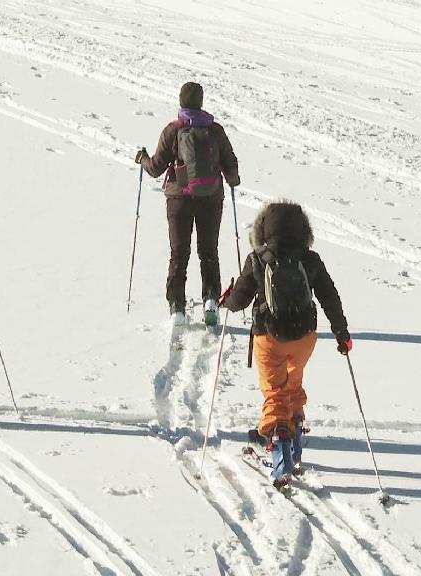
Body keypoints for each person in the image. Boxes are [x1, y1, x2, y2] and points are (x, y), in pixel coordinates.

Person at [220, 200, 351, 489]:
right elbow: (330, 297)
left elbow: (239, 299)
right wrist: (342, 333)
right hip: (305, 337)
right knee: (293, 381)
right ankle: (296, 424)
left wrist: (225, 300)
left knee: (275, 392)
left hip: (269, 336)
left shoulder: (258, 259)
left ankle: (280, 449)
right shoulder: (311, 260)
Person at [135, 81, 240, 326]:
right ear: (201, 103)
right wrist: (232, 179)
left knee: (179, 253)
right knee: (208, 251)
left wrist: (142, 159)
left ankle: (177, 308)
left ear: (181, 102)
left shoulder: (173, 130)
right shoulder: (215, 130)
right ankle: (211, 300)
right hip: (211, 199)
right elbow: (231, 165)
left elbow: (155, 168)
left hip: (179, 200)